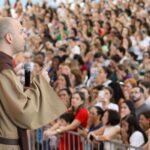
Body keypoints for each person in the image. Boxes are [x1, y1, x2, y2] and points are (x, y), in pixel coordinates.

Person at [0, 17, 66, 150]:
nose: (25, 35)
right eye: (21, 32)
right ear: (9, 38)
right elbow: (23, 111)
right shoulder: (3, 69)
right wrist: (41, 83)